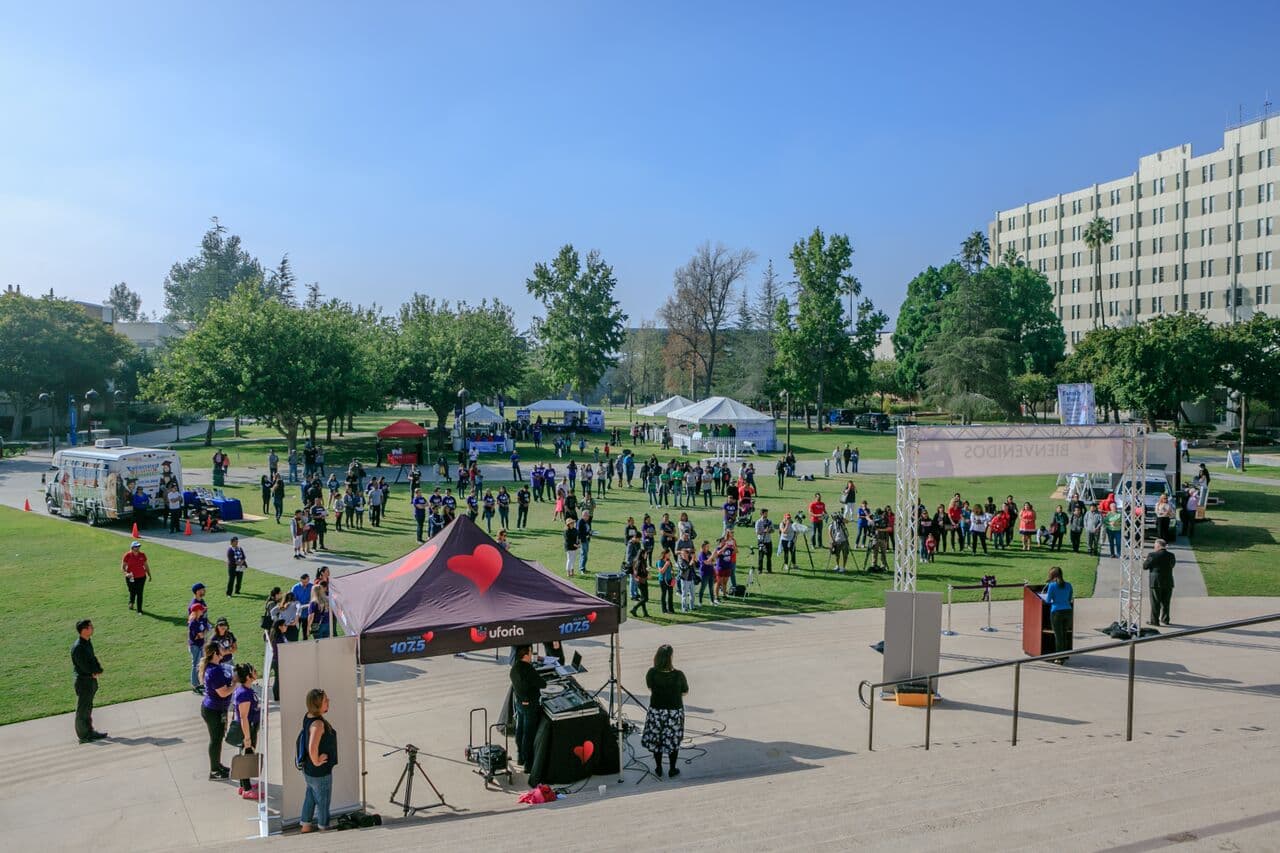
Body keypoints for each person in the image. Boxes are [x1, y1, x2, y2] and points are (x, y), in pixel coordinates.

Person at [641, 644, 689, 778]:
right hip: (674, 712)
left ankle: (658, 767)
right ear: (670, 658)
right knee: (673, 740)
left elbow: (650, 688)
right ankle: (672, 769)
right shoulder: (678, 675)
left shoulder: (651, 673)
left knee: (657, 739)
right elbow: (685, 692)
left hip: (656, 711)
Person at [300, 688, 337, 832]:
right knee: (323, 801)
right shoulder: (318, 724)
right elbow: (312, 747)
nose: (328, 702)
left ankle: (306, 825)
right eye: (325, 700)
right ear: (317, 705)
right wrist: (316, 761)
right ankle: (323, 827)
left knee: (310, 796)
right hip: (319, 772)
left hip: (309, 771)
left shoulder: (308, 716)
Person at [199, 642, 233, 779]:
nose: (223, 650)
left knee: (218, 738)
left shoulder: (216, 667)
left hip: (218, 709)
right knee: (215, 739)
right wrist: (236, 685)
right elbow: (223, 693)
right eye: (221, 649)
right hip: (213, 710)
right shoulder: (214, 671)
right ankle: (214, 770)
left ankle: (218, 765)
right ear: (215, 653)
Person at [72, 619, 106, 743]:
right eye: (90, 627)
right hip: (83, 682)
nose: (92, 628)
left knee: (88, 707)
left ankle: (89, 731)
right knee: (83, 709)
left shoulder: (87, 642)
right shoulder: (78, 648)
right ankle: (84, 735)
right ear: (84, 630)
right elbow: (84, 666)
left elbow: (93, 658)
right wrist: (94, 672)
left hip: (90, 680)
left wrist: (98, 669)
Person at [232, 663, 262, 799]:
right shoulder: (244, 693)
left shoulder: (246, 689)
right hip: (247, 728)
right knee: (246, 757)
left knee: (246, 755)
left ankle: (244, 785)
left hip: (250, 726)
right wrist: (247, 737)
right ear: (248, 677)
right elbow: (243, 717)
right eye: (253, 671)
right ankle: (247, 789)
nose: (256, 672)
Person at [1038, 567, 1074, 664]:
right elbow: (1069, 599)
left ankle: (1059, 658)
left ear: (1052, 576)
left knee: (1058, 636)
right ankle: (1065, 654)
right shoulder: (1069, 585)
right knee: (1064, 634)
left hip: (1056, 612)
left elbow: (1048, 600)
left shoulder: (1052, 586)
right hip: (1068, 612)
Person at [1145, 539, 1177, 626]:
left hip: (1155, 582)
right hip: (1168, 581)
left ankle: (1155, 621)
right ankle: (1165, 619)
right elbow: (1172, 565)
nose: (1154, 548)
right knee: (1166, 602)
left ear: (1158, 546)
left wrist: (1147, 560)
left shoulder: (1152, 555)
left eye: (1155, 546)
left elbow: (1145, 566)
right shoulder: (1171, 555)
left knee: (1155, 602)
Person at [121, 541, 151, 615]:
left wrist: (149, 575)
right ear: (132, 547)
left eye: (138, 546)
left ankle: (139, 610)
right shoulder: (127, 555)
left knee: (139, 593)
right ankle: (131, 602)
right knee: (132, 591)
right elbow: (123, 567)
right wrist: (126, 573)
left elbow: (146, 565)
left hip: (141, 577)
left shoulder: (142, 555)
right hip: (131, 577)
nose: (138, 548)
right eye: (136, 547)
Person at [188, 601, 210, 693]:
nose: (202, 611)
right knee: (195, 665)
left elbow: (206, 630)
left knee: (200, 664)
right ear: (197, 611)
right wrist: (202, 634)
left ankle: (200, 683)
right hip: (195, 646)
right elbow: (201, 635)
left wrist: (202, 634)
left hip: (201, 644)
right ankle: (195, 685)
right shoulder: (193, 623)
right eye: (201, 610)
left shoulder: (200, 620)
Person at [630, 551, 651, 617]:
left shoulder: (641, 561)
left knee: (643, 598)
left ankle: (645, 613)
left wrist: (646, 571)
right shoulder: (640, 562)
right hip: (641, 581)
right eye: (646, 554)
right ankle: (634, 608)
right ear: (642, 554)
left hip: (642, 581)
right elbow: (638, 573)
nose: (646, 555)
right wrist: (646, 573)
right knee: (645, 598)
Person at [754, 508, 774, 573]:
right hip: (761, 541)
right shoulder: (758, 522)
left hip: (768, 541)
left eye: (767, 513)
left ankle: (769, 569)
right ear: (762, 513)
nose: (766, 514)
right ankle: (760, 569)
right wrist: (764, 531)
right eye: (765, 513)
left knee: (769, 556)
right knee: (761, 556)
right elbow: (757, 532)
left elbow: (773, 530)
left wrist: (769, 530)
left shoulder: (769, 521)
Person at [656, 550, 675, 614]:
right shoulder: (660, 561)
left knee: (670, 595)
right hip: (663, 580)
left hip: (669, 580)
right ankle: (664, 610)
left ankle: (671, 609)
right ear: (665, 554)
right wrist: (666, 565)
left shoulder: (669, 561)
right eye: (669, 554)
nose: (670, 555)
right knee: (664, 594)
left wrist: (672, 575)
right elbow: (661, 571)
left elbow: (671, 570)